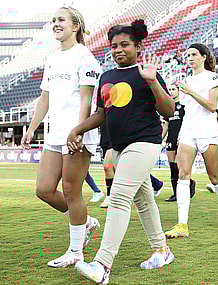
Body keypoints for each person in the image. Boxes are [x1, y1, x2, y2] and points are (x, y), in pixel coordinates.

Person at [67, 19, 176, 283]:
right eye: (114, 46)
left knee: (118, 198)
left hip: (144, 143)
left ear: (138, 46)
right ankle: (161, 250)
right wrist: (78, 129)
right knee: (143, 200)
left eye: (125, 45)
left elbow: (169, 110)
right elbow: (102, 113)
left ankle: (102, 265)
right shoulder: (107, 77)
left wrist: (152, 81)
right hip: (118, 147)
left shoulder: (146, 73)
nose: (118, 50)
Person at [20, 6, 101, 268]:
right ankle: (85, 222)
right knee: (43, 189)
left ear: (75, 26)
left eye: (61, 20)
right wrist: (32, 128)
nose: (56, 23)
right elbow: (46, 97)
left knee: (71, 191)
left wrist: (78, 131)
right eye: (54, 20)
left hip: (76, 133)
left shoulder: (85, 58)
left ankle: (76, 251)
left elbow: (87, 99)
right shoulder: (53, 57)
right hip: (55, 133)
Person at [165, 43, 218, 238]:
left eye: (194, 54)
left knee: (214, 177)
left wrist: (190, 91)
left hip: (208, 131)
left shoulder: (212, 77)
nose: (190, 58)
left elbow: (212, 106)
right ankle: (182, 224)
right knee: (183, 174)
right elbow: (183, 107)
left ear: (203, 57)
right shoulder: (186, 80)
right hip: (188, 131)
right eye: (188, 56)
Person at [162, 82, 196, 202]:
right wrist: (160, 139)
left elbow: (187, 124)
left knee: (180, 166)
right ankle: (175, 193)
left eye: (173, 89)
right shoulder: (168, 108)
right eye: (169, 89)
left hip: (181, 139)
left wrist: (182, 137)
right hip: (170, 139)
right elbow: (166, 125)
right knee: (172, 167)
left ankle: (189, 184)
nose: (171, 91)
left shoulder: (183, 107)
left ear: (178, 91)